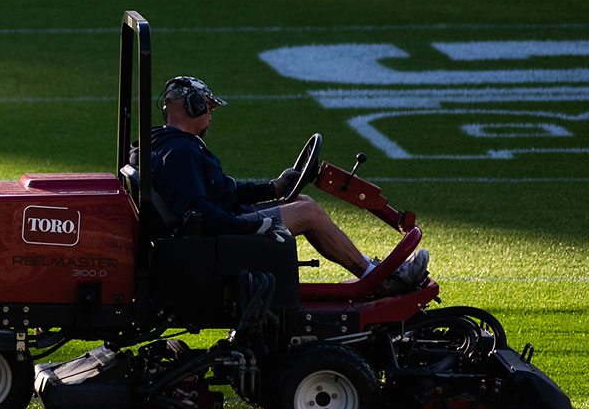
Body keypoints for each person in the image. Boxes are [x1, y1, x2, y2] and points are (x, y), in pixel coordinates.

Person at [148, 75, 428, 290]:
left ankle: (373, 271)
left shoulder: (170, 146)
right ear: (194, 107)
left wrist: (274, 188)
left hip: (218, 230)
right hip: (217, 241)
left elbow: (224, 192)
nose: (210, 116)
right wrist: (252, 224)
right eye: (207, 108)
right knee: (307, 212)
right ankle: (379, 280)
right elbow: (198, 210)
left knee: (302, 202)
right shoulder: (180, 153)